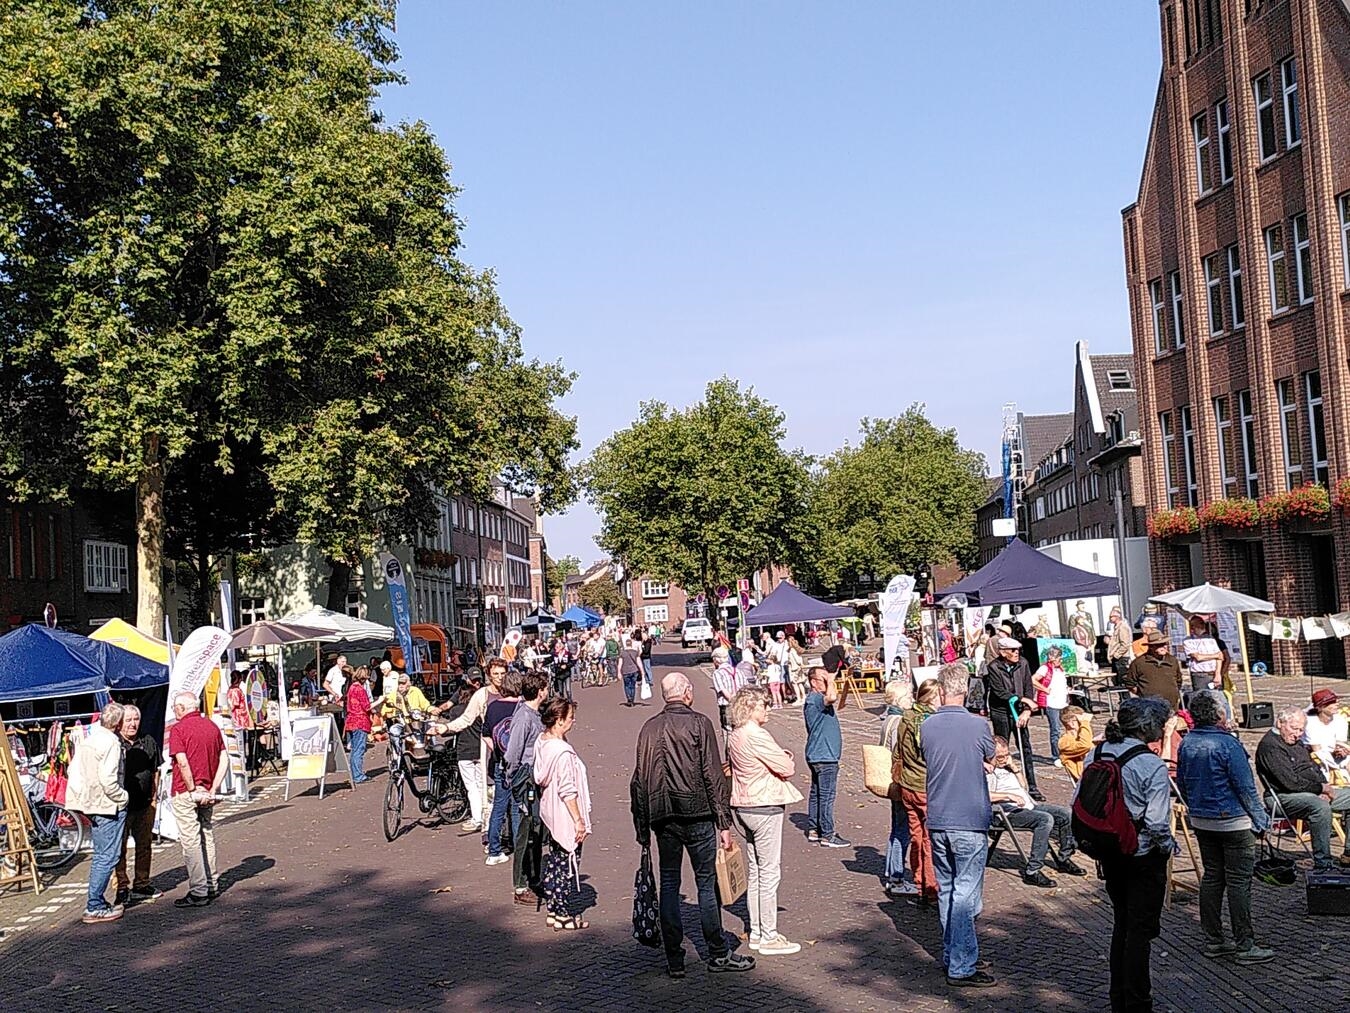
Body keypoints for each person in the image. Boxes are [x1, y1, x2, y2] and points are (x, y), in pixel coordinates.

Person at [630, 673, 755, 978]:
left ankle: (674, 958)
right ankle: (717, 953)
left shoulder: (648, 729)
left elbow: (638, 782)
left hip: (663, 816)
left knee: (670, 884)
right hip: (697, 813)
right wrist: (723, 822)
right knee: (706, 884)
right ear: (686, 693)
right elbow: (713, 775)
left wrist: (642, 826)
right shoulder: (699, 723)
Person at [1082, 696, 1176, 1013]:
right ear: (1148, 726)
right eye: (1162, 725)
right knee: (1140, 932)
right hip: (1142, 855)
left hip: (1109, 850)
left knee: (1121, 924)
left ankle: (1118, 998)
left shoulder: (1095, 753)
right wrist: (1167, 847)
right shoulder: (1151, 764)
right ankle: (1138, 1002)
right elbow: (1158, 823)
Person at [1175, 690, 1273, 963]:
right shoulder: (1228, 745)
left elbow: (1182, 782)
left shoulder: (1187, 743)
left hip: (1203, 820)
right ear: (1220, 714)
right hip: (1232, 821)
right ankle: (1244, 944)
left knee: (1212, 876)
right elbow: (1245, 788)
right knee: (1239, 882)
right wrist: (1261, 820)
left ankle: (1214, 939)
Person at [922, 664, 996, 988]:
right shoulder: (979, 726)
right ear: (965, 690)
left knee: (950, 890)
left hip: (938, 817)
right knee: (966, 894)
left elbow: (931, 758)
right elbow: (992, 759)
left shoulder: (927, 726)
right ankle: (962, 965)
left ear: (941, 690)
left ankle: (956, 953)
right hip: (969, 817)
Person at [727, 686, 803, 956]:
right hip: (764, 804)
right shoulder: (757, 735)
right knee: (769, 871)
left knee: (756, 871)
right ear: (750, 708)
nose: (767, 710)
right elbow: (787, 768)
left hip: (742, 805)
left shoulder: (734, 736)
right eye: (763, 705)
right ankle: (769, 934)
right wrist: (786, 757)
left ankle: (757, 930)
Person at [1255, 706, 1350, 870]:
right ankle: (1323, 862)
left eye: (1301, 730)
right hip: (1282, 796)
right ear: (1280, 723)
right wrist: (1320, 789)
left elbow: (1312, 767)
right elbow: (1290, 782)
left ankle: (1348, 854)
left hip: (1310, 790)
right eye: (1294, 729)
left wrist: (1324, 786)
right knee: (1319, 807)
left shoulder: (1295, 742)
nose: (1298, 734)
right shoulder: (1270, 746)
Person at [986, 736, 1084, 887]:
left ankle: (1064, 858)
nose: (1004, 759)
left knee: (1066, 814)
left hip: (1028, 806)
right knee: (1044, 819)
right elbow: (983, 795)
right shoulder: (987, 772)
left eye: (1006, 755)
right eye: (1000, 757)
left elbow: (1023, 787)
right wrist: (1007, 795)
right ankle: (1033, 870)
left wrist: (1014, 768)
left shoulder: (1006, 767)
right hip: (1006, 813)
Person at [67, 702, 129, 923]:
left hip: (91, 803)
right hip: (107, 805)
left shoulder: (89, 739)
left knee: (102, 854)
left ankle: (97, 902)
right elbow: (108, 779)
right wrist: (123, 797)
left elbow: (72, 770)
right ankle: (94, 905)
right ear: (118, 723)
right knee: (107, 855)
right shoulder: (111, 742)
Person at [534, 697, 592, 931]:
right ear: (558, 721)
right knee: (567, 863)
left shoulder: (543, 742)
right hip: (564, 814)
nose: (573, 721)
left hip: (549, 811)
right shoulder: (563, 753)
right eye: (569, 718)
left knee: (555, 862)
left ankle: (552, 910)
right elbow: (568, 789)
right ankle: (563, 913)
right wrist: (578, 819)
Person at [167, 690, 228, 909]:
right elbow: (224, 757)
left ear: (182, 708)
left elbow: (182, 762)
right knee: (207, 835)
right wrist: (213, 788)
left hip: (186, 791)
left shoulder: (179, 730)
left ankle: (199, 890)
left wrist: (192, 789)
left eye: (175, 708)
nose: (174, 711)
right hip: (206, 789)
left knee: (191, 841)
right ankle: (211, 883)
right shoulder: (211, 726)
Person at [442, 658, 505, 834]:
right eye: (496, 674)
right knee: (486, 789)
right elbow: (466, 719)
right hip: (487, 750)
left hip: (508, 751)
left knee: (495, 790)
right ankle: (490, 832)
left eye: (502, 673)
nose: (499, 677)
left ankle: (497, 830)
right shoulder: (481, 696)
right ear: (489, 676)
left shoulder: (511, 692)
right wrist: (445, 726)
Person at [504, 669, 549, 905]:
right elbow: (513, 752)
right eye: (546, 688)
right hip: (525, 777)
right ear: (540, 691)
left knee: (536, 829)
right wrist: (513, 778)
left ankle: (535, 878)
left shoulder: (535, 713)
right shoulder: (524, 716)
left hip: (536, 776)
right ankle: (520, 885)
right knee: (525, 831)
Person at [896, 678, 942, 906]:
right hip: (926, 786)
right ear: (932, 698)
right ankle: (932, 889)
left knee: (916, 837)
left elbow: (898, 752)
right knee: (930, 840)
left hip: (907, 785)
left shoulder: (905, 718)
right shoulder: (931, 722)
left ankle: (920, 887)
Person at [114, 704, 161, 907]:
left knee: (144, 845)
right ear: (120, 723)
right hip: (121, 806)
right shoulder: (114, 743)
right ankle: (122, 887)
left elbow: (156, 769)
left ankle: (142, 883)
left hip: (144, 804)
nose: (133, 724)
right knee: (119, 849)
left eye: (136, 719)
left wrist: (154, 796)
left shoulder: (148, 740)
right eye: (129, 720)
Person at [984, 637, 1043, 799]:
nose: (1016, 653)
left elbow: (1028, 687)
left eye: (1018, 650)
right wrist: (1023, 699)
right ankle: (1004, 782)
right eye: (1013, 650)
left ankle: (1031, 786)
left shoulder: (1023, 663)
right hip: (1001, 712)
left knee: (1025, 747)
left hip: (1019, 711)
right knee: (1001, 748)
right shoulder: (994, 667)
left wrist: (1026, 710)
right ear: (1003, 652)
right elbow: (999, 692)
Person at [879, 680, 918, 898]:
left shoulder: (886, 719)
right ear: (900, 698)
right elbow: (900, 751)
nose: (912, 699)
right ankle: (896, 876)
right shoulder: (899, 721)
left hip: (893, 779)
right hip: (902, 780)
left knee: (897, 828)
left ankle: (891, 871)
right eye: (909, 695)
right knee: (903, 830)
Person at [803, 666, 848, 848]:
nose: (829, 682)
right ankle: (827, 834)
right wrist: (830, 680)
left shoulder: (814, 700)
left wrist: (829, 679)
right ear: (814, 682)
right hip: (824, 755)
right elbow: (832, 697)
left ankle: (814, 829)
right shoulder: (816, 699)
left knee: (817, 794)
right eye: (823, 679)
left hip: (818, 754)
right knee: (826, 795)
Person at [483, 670, 524, 866]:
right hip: (520, 763)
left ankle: (494, 849)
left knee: (499, 806)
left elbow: (485, 735)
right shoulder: (523, 708)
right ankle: (519, 847)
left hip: (500, 762)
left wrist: (499, 749)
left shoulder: (492, 707)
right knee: (517, 806)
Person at [1125, 630, 1184, 709]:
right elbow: (1130, 684)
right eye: (1159, 645)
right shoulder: (1139, 662)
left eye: (1165, 644)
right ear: (1151, 647)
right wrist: (1143, 694)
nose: (1164, 647)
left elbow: (1178, 681)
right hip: (1149, 708)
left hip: (1171, 706)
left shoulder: (1173, 660)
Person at [1032, 645, 1069, 766]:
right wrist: (1045, 689)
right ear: (1052, 658)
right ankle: (1056, 756)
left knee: (1067, 728)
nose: (1060, 660)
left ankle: (1067, 752)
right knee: (1055, 730)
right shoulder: (1044, 668)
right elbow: (1033, 680)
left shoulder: (1060, 669)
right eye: (1059, 657)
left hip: (1062, 702)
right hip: (1051, 702)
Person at [1305, 688, 1350, 772]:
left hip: (1333, 756)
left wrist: (1340, 750)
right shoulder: (1310, 723)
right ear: (1320, 707)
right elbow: (1316, 750)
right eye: (1332, 703)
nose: (1337, 704)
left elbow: (1340, 743)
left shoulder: (1340, 720)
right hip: (1315, 758)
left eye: (1336, 701)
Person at [345, 666, 374, 784]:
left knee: (354, 749)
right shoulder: (360, 689)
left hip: (351, 721)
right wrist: (381, 700)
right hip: (360, 721)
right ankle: (358, 776)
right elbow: (367, 706)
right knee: (359, 749)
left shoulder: (351, 687)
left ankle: (354, 773)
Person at [1182, 615, 1224, 692]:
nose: (1202, 626)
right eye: (1200, 624)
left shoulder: (1210, 639)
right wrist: (1215, 655)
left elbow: (1220, 657)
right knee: (1202, 699)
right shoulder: (1188, 641)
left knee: (1217, 699)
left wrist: (1218, 674)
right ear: (1193, 627)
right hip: (1200, 675)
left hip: (1213, 673)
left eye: (1202, 623)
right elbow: (1198, 657)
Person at [1058, 706, 1095, 781]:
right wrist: (1085, 722)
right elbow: (1085, 745)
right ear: (1071, 723)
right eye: (1079, 720)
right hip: (1086, 779)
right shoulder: (1064, 742)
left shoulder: (1081, 737)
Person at [710, 645, 740, 738]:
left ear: (716, 660)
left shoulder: (718, 673)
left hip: (727, 705)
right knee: (740, 731)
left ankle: (730, 752)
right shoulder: (737, 670)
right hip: (741, 704)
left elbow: (723, 691)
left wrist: (732, 701)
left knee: (728, 733)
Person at [1106, 607, 1133, 685]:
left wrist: (1117, 655)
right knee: (1116, 681)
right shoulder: (1116, 627)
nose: (1110, 618)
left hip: (1121, 658)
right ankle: (1121, 697)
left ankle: (1125, 697)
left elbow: (1125, 644)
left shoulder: (1122, 627)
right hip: (1117, 658)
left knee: (1122, 682)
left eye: (1111, 616)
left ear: (1117, 617)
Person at [619, 636, 644, 706]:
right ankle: (632, 699)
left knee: (626, 685)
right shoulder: (635, 652)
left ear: (626, 644)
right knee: (632, 685)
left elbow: (620, 664)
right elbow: (639, 662)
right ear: (631, 644)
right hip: (634, 670)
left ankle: (629, 698)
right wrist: (642, 671)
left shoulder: (622, 653)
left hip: (625, 671)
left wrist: (619, 672)